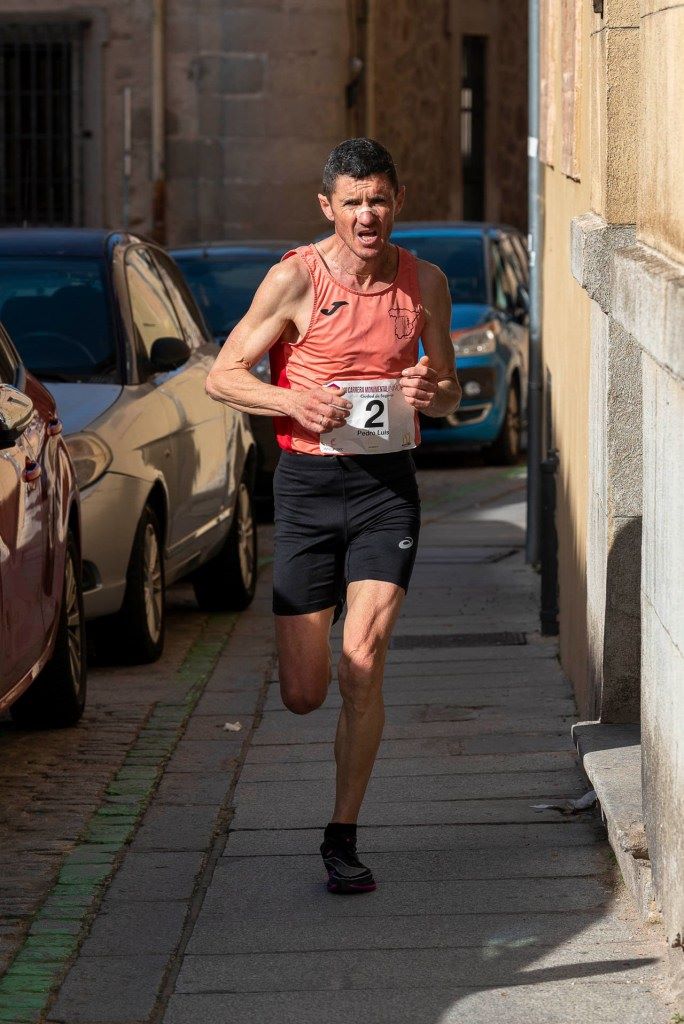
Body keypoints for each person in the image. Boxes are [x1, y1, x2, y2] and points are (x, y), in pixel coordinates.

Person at [205, 138, 461, 893]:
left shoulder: (426, 282)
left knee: (363, 661)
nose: (367, 215)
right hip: (308, 489)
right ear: (328, 207)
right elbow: (223, 376)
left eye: (378, 199)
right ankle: (312, 691)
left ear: (397, 201)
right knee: (304, 692)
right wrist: (291, 401)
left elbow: (447, 390)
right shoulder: (295, 279)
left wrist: (433, 394)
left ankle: (342, 836)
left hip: (386, 489)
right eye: (352, 202)